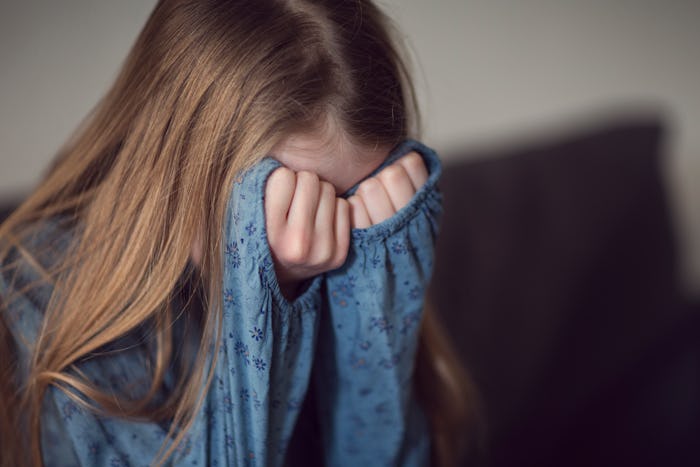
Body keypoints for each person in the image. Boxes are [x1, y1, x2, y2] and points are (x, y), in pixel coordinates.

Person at [0, 1, 475, 465]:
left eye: (356, 210)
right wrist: (264, 289)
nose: (327, 247)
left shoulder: (361, 263)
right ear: (176, 166)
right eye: (294, 203)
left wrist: (380, 285)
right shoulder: (46, 299)